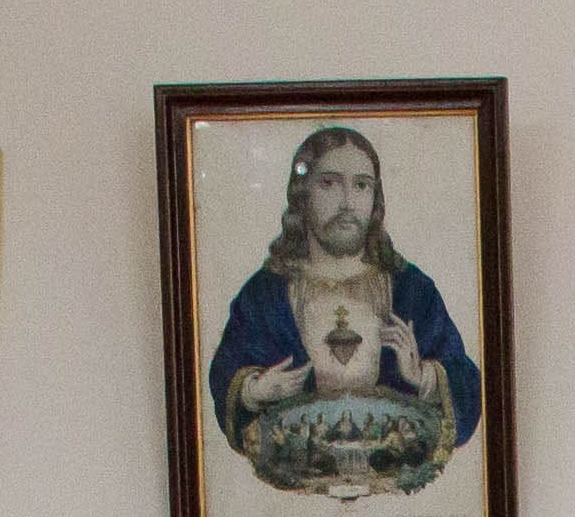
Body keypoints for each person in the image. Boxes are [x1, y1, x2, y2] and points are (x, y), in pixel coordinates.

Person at [204, 124, 482, 497]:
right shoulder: (266, 293)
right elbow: (224, 375)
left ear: (375, 199)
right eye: (330, 184)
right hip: (293, 495)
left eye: (362, 185)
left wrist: (424, 377)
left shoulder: (411, 290)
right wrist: (254, 390)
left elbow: (467, 386)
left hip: (392, 493)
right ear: (302, 195)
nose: (349, 202)